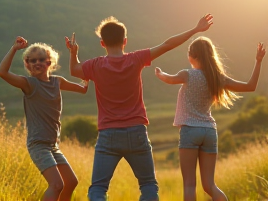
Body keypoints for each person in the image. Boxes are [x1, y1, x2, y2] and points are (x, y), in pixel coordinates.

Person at [65, 14, 213, 201]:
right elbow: (167, 45)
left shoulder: (95, 65)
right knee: (148, 185)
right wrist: (194, 30)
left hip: (108, 134)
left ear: (102, 43)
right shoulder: (136, 59)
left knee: (98, 188)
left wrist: (73, 53)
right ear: (125, 41)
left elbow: (74, 70)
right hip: (136, 131)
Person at [155, 36, 266, 201]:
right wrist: (258, 61)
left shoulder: (187, 74)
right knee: (209, 185)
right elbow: (250, 86)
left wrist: (160, 73)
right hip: (209, 131)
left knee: (189, 185)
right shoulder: (217, 78)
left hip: (190, 131)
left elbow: (169, 79)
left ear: (194, 56)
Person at [0, 36, 89, 201]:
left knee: (71, 182)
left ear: (49, 63)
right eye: (32, 60)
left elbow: (83, 88)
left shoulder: (57, 82)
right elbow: (2, 72)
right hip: (38, 144)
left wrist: (74, 54)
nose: (36, 63)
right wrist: (14, 49)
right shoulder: (28, 84)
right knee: (56, 185)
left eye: (41, 59)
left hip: (53, 144)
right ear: (27, 64)